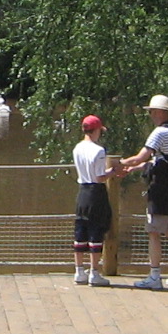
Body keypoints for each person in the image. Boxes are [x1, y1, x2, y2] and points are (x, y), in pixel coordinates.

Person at [118, 94, 168, 290]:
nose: (150, 114)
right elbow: (161, 160)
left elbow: (140, 156)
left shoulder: (159, 133)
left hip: (161, 189)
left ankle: (154, 276)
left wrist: (118, 164)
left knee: (153, 232)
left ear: (160, 112)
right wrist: (137, 168)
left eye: (152, 111)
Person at [71, 114, 120, 287]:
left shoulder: (77, 148)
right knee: (96, 231)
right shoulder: (98, 151)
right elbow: (100, 177)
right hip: (96, 193)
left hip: (82, 191)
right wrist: (112, 172)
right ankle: (94, 272)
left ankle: (79, 271)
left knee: (80, 231)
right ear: (96, 130)